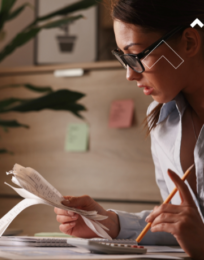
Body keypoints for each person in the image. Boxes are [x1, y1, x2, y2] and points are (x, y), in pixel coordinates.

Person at [54, 0, 204, 259]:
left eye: (137, 56)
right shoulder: (162, 120)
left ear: (188, 43)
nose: (130, 74)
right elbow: (182, 225)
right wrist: (111, 223)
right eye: (124, 57)